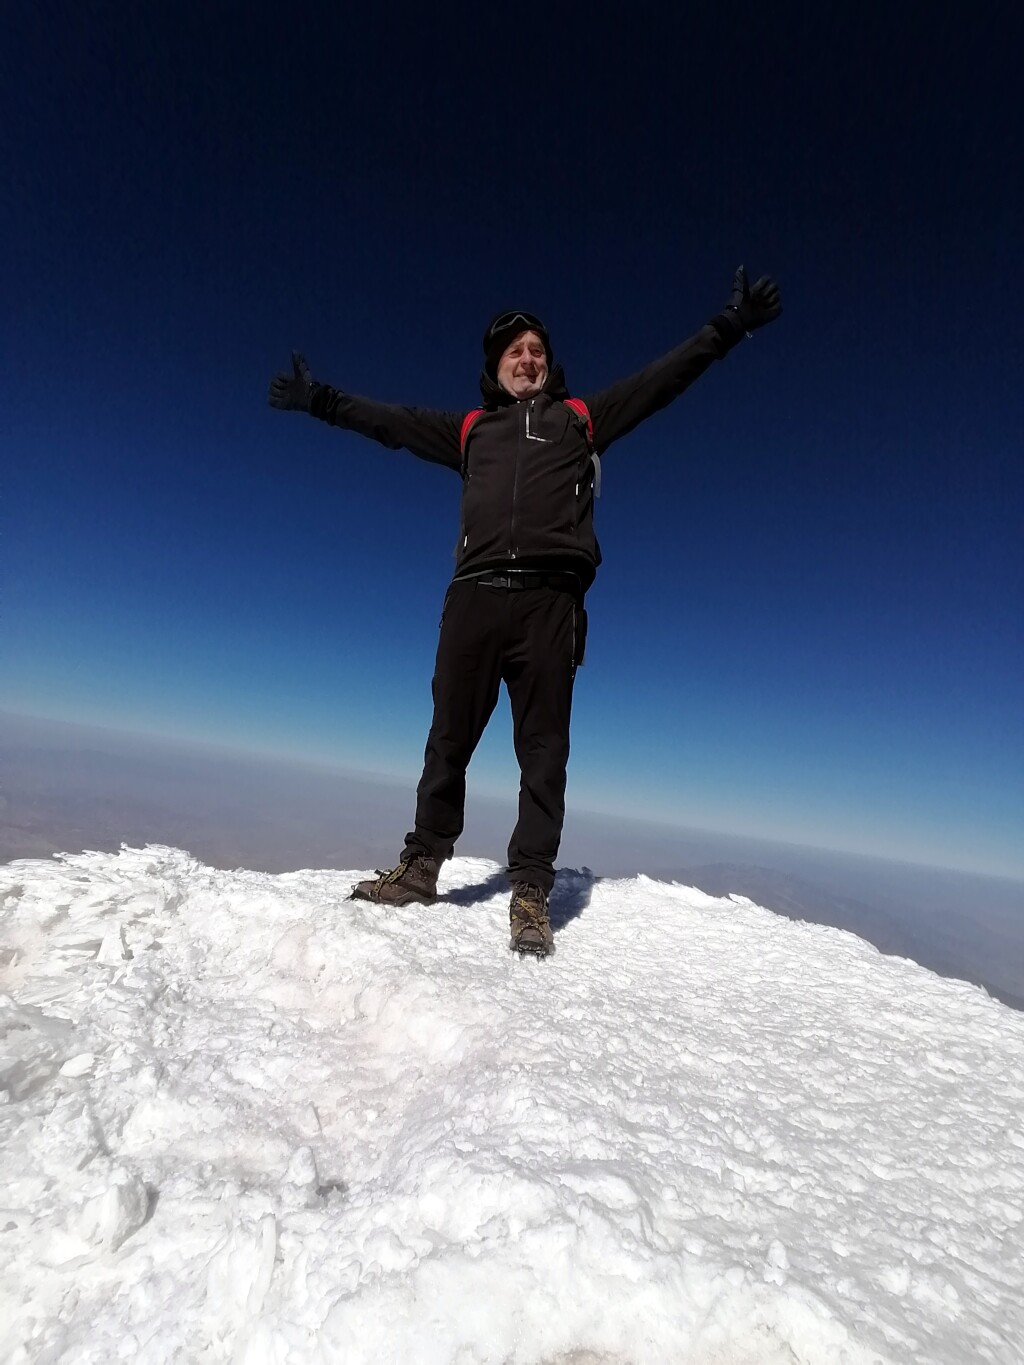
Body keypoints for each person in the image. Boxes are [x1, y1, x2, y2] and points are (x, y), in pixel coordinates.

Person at [268, 267, 781, 955]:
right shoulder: (470, 430)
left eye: (536, 350)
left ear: (549, 365)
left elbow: (663, 380)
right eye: (514, 352)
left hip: (548, 603)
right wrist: (320, 399)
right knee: (448, 737)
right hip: (475, 597)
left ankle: (530, 892)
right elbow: (389, 423)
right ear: (495, 367)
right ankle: (422, 866)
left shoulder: (581, 421)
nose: (527, 359)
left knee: (543, 752)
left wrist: (730, 325)